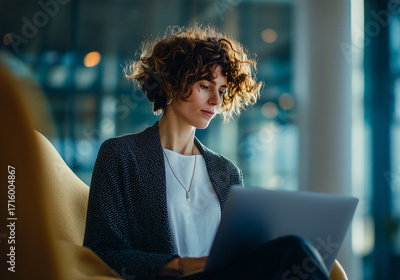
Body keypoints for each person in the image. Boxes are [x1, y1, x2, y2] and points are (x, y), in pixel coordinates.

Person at [83, 24, 330, 280]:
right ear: (170, 83)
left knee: (295, 251)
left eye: (222, 90)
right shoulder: (121, 155)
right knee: (293, 249)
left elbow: (239, 251)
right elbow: (102, 252)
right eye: (204, 86)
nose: (216, 101)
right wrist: (183, 265)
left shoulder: (227, 172)